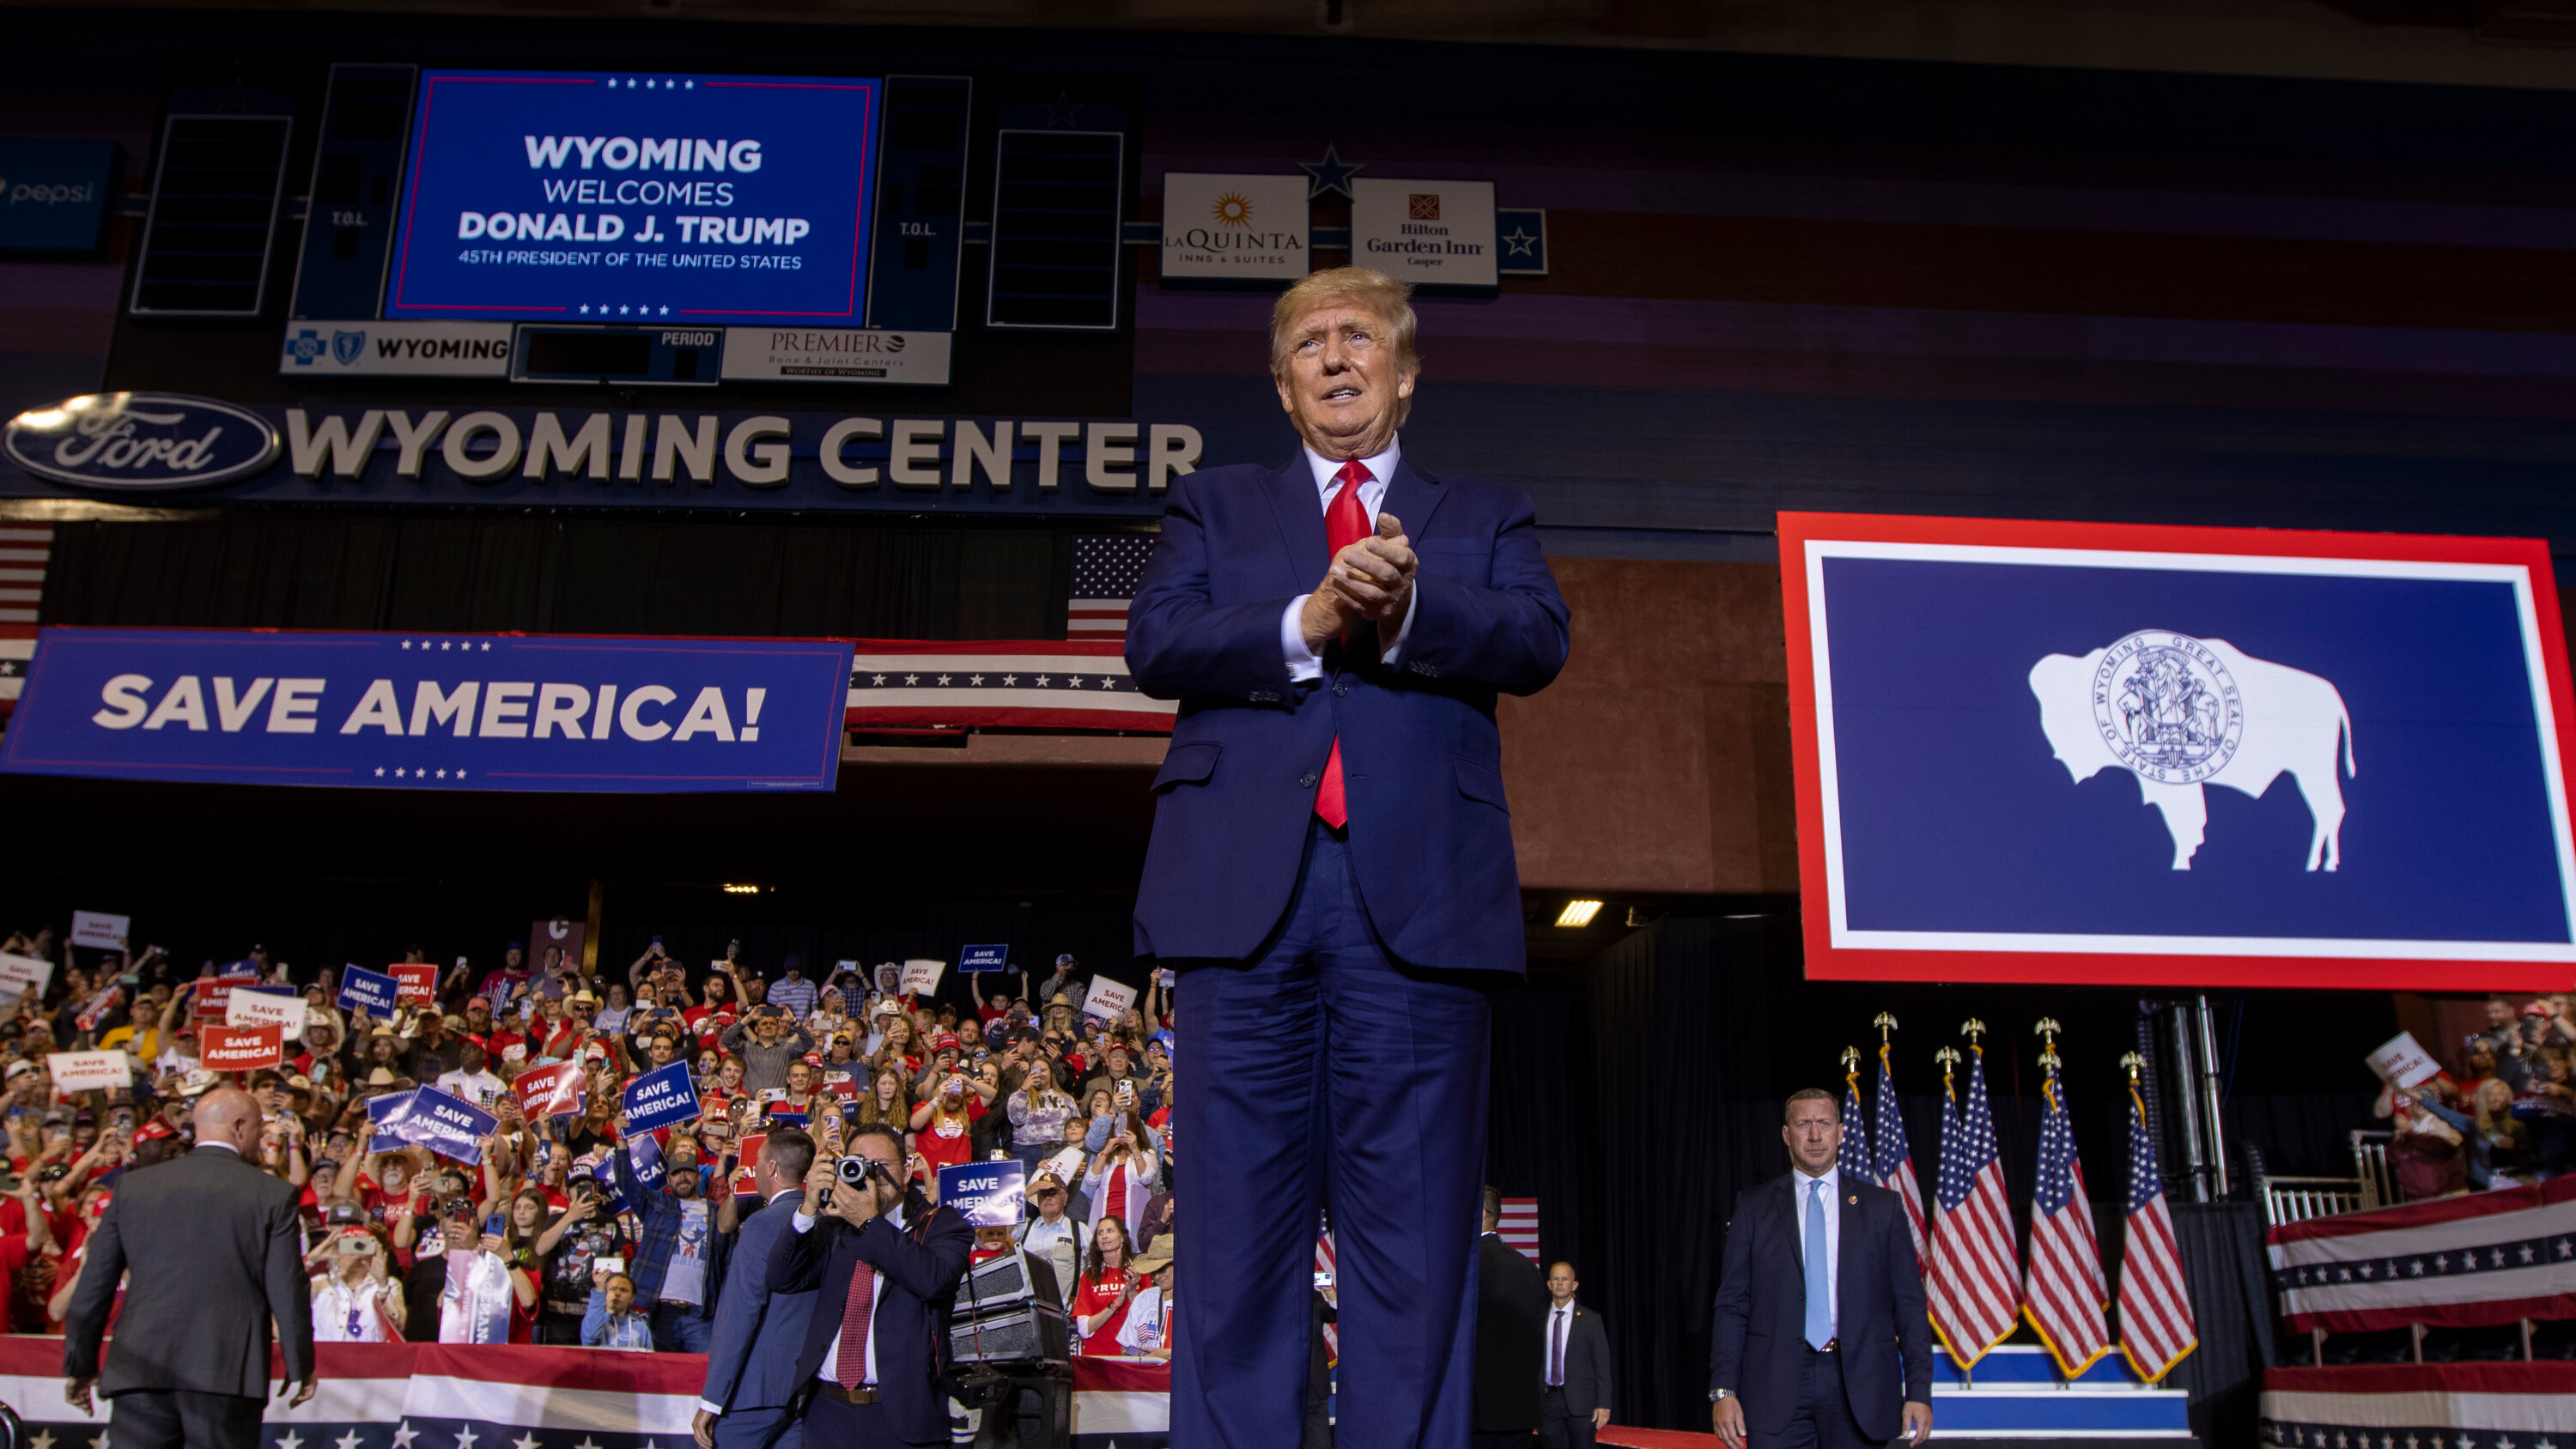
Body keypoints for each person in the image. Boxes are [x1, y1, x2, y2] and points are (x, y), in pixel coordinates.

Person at [1125, 264, 1571, 1449]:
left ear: (1405, 375)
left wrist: (1412, 609)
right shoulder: (1211, 507)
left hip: (1420, 910)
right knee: (1231, 1251)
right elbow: (1158, 639)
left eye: (1358, 337)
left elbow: (1536, 639)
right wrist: (1308, 621)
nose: (1334, 355)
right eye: (1309, 342)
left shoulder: (1485, 511)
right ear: (1281, 388)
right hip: (1242, 911)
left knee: (1417, 1251)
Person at [62, 1088, 318, 1449]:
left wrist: (80, 1364)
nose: (263, 1136)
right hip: (227, 1372)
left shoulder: (134, 1188)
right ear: (239, 1126)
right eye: (260, 1126)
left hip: (139, 1371)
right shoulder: (272, 1194)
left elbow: (93, 1286)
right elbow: (287, 1287)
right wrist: (299, 1362)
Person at [1710, 1090, 1932, 1449]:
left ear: (1841, 1132)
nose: (1815, 1136)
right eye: (1803, 1124)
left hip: (1859, 1388)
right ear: (1787, 1134)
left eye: (1825, 1124)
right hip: (1774, 1387)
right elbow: (1732, 1305)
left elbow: (1909, 1306)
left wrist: (1920, 1390)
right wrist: (1723, 1390)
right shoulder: (1753, 1208)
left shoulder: (1882, 1208)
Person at [765, 1120, 972, 1449]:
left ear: (906, 1171)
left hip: (902, 1416)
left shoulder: (942, 1224)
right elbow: (782, 1278)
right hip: (826, 1413)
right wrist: (807, 1209)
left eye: (881, 1165)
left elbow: (934, 1282)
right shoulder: (834, 1228)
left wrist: (869, 1222)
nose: (871, 1175)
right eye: (859, 1165)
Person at [696, 1126, 821, 1449]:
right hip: (803, 1392)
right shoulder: (826, 1223)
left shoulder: (763, 1223)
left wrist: (712, 1400)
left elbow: (741, 1312)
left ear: (772, 1168)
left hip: (754, 1394)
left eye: (758, 1161)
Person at [1474, 1189, 1548, 1449]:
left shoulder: (1470, 1266)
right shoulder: (1529, 1269)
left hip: (1480, 1412)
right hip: (1522, 1409)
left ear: (1481, 1214)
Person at [1538, 1263, 1612, 1449]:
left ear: (1574, 1285)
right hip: (1548, 1402)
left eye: (1565, 1279)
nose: (1560, 1283)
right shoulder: (1539, 1319)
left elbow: (1602, 1364)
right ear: (1548, 1284)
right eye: (1555, 1279)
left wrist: (1604, 1403)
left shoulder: (1590, 1320)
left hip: (1582, 1404)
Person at [584, 1270, 655, 1349]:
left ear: (632, 1298)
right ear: (604, 1294)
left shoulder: (641, 1327)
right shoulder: (595, 1321)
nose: (617, 1293)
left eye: (623, 1290)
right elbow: (590, 1338)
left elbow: (649, 1358)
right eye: (612, 1289)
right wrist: (600, 1289)